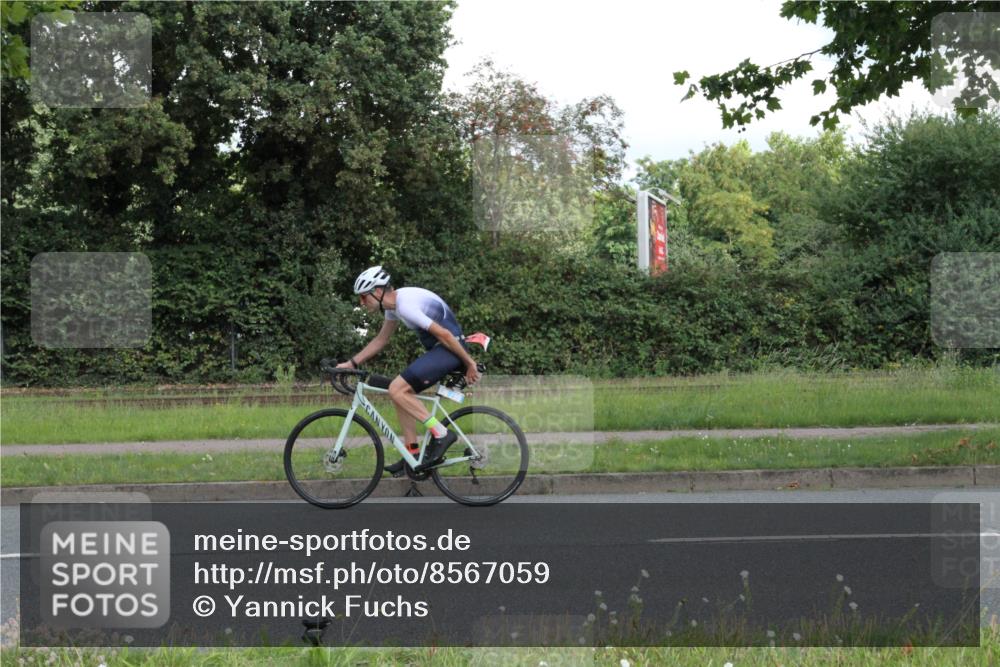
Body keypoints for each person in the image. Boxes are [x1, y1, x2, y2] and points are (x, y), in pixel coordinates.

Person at [337, 266, 481, 474]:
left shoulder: (405, 305)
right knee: (400, 394)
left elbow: (445, 335)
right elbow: (381, 340)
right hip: (441, 350)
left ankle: (441, 433)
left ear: (377, 292)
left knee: (397, 389)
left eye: (363, 297)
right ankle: (412, 455)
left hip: (449, 350)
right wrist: (352, 363)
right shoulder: (392, 307)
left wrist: (469, 362)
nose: (361, 302)